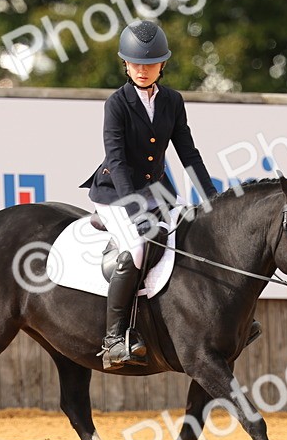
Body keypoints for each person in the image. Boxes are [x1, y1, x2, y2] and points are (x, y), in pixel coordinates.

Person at [80, 20, 224, 368]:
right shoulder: (116, 103)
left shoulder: (173, 101)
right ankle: (114, 337)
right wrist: (133, 207)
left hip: (157, 191)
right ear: (125, 64)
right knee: (138, 246)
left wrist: (212, 198)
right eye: (136, 63)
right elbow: (116, 158)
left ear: (163, 65)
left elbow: (188, 153)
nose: (142, 70)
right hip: (115, 191)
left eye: (150, 63)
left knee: (191, 236)